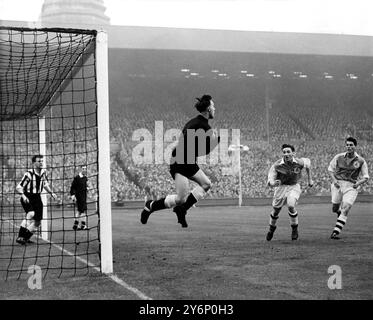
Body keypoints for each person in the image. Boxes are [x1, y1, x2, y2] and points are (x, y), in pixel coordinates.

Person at [140, 94, 220, 228]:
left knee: (206, 184)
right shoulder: (203, 126)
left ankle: (182, 209)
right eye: (213, 106)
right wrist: (215, 142)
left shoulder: (197, 123)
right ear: (208, 109)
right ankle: (151, 206)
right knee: (180, 199)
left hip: (187, 160)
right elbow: (203, 151)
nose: (215, 108)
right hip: (181, 161)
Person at [266, 144, 313, 241]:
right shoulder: (277, 165)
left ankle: (294, 229)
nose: (286, 154)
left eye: (288, 152)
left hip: (293, 186)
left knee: (291, 205)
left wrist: (310, 180)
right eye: (284, 152)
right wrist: (274, 183)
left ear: (293, 153)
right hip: (281, 188)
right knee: (276, 211)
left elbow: (308, 164)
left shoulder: (299, 162)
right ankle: (271, 228)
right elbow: (270, 180)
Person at [328, 137, 369, 240]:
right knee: (334, 208)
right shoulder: (338, 157)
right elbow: (330, 169)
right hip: (338, 184)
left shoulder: (361, 160)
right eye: (347, 145)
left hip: (351, 186)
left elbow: (366, 177)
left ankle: (335, 232)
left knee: (346, 208)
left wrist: (358, 183)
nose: (349, 147)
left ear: (355, 146)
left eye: (351, 145)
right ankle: (339, 213)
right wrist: (334, 180)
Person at [16, 155, 57, 245]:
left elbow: (45, 185)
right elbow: (19, 187)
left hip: (37, 198)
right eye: (39, 161)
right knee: (31, 213)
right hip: (27, 196)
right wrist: (23, 196)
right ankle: (20, 236)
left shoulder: (43, 173)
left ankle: (25, 238)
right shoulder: (29, 174)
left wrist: (51, 193)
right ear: (34, 163)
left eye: (42, 161)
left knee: (38, 221)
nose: (41, 162)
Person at [70, 165, 89, 230]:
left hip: (84, 196)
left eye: (85, 169)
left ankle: (75, 225)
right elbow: (72, 187)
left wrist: (87, 188)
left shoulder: (85, 178)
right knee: (83, 211)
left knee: (79, 211)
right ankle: (83, 225)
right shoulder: (77, 178)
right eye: (83, 168)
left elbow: (85, 185)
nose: (84, 170)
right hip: (79, 196)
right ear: (80, 169)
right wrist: (73, 195)